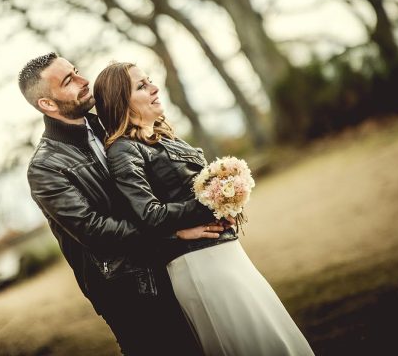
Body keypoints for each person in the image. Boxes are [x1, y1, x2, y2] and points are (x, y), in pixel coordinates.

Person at [93, 61, 316, 356]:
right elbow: (149, 214)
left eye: (149, 80)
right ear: (121, 101)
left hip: (223, 252)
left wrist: (227, 193)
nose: (155, 88)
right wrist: (213, 200)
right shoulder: (123, 150)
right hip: (198, 264)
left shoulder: (162, 135)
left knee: (268, 334)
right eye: (142, 86)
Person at [19, 52, 226, 356]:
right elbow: (96, 232)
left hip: (177, 266)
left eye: (76, 71)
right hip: (130, 292)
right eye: (69, 80)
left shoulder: (111, 125)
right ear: (47, 104)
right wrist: (175, 233)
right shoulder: (46, 168)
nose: (83, 80)